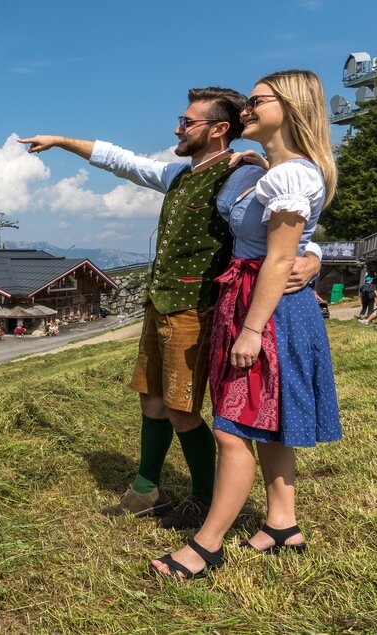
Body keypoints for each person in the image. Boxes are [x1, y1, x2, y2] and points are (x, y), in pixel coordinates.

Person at [19, 86, 322, 530]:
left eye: (187, 121)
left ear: (219, 130)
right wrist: (63, 141)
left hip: (198, 307)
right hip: (161, 302)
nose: (177, 128)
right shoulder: (178, 174)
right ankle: (147, 490)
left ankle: (202, 498)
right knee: (152, 398)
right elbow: (123, 160)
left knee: (182, 408)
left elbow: (291, 226)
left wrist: (313, 258)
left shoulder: (246, 174)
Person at [150, 69, 342, 579]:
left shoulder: (290, 174)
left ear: (291, 107)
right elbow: (292, 244)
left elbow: (280, 259)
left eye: (257, 101)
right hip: (256, 298)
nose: (246, 111)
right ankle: (282, 523)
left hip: (267, 308)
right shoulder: (271, 170)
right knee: (266, 422)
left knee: (233, 428)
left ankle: (206, 546)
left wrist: (253, 330)